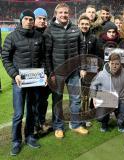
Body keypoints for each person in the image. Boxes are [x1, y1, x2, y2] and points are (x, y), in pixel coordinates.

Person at [2, 9, 47, 155]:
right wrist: (14, 75)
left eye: (31, 19)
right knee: (18, 113)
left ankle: (29, 136)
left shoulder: (39, 37)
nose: (29, 21)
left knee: (32, 111)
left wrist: (45, 73)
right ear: (21, 20)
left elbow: (43, 58)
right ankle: (16, 141)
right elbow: (6, 58)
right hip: (19, 81)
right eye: (26, 19)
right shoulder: (12, 37)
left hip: (35, 80)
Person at [43, 3, 88, 139]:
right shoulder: (49, 30)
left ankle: (75, 124)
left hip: (74, 72)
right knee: (58, 100)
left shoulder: (76, 29)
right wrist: (50, 73)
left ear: (69, 14)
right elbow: (47, 54)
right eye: (61, 12)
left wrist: (83, 67)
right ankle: (58, 126)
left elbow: (82, 50)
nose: (63, 15)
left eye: (66, 13)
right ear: (56, 14)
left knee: (76, 99)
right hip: (58, 73)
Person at [90, 53, 124, 132]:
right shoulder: (101, 74)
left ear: (120, 64)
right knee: (100, 117)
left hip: (120, 98)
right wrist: (94, 98)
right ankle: (104, 124)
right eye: (112, 63)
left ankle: (121, 124)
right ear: (109, 63)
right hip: (107, 98)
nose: (114, 66)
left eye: (117, 64)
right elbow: (93, 86)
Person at [33, 7, 51, 134]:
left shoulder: (48, 33)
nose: (42, 21)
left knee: (44, 100)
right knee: (34, 101)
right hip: (34, 73)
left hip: (47, 73)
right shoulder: (29, 33)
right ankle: (34, 126)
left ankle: (42, 122)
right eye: (39, 18)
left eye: (44, 19)